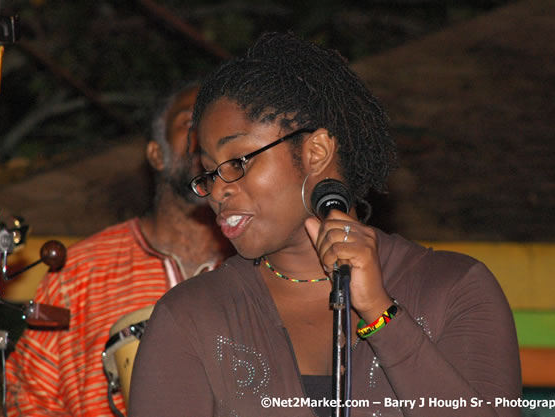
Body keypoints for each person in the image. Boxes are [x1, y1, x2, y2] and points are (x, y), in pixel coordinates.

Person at [129, 33, 522, 417]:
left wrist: (381, 315)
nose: (217, 191)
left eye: (238, 162)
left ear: (315, 151)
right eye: (210, 173)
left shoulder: (455, 289)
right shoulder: (190, 317)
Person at [5, 81, 232, 417]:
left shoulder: (265, 268)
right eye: (191, 124)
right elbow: (29, 396)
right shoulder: (79, 271)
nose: (207, 137)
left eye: (221, 127)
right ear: (157, 154)